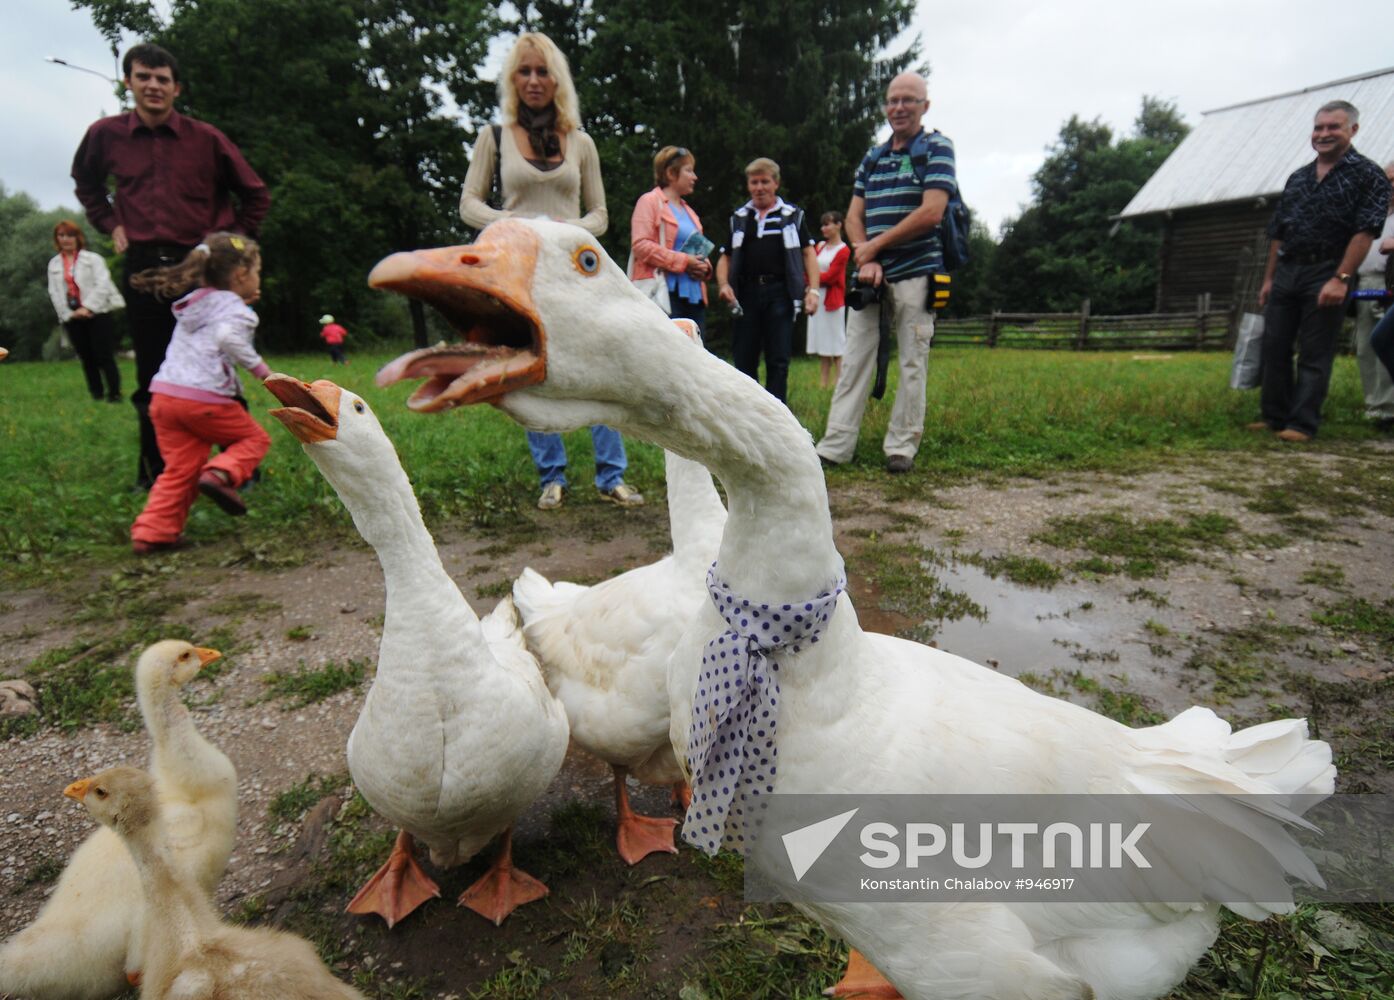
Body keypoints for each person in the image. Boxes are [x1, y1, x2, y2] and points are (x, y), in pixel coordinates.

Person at [72, 42, 269, 489]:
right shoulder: (105, 134)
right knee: (154, 371)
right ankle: (157, 472)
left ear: (176, 87)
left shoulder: (206, 138)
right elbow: (85, 182)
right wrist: (109, 222)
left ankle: (240, 467)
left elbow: (256, 195)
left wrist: (227, 248)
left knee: (220, 362)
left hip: (203, 269)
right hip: (145, 267)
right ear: (129, 82)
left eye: (162, 79)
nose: (153, 86)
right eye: (144, 77)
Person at [459, 32, 641, 512]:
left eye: (542, 71)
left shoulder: (581, 142)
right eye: (524, 71)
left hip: (575, 272)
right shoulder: (493, 138)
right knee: (529, 368)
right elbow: (469, 205)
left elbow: (600, 215)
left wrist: (567, 231)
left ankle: (612, 475)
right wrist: (519, 225)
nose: (534, 80)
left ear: (557, 77)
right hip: (520, 271)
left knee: (601, 367)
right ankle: (552, 477)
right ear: (512, 80)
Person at [815, 72, 956, 474]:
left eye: (909, 100)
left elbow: (932, 212)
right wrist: (868, 258)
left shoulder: (938, 148)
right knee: (855, 356)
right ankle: (836, 444)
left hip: (918, 271)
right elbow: (854, 215)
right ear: (886, 106)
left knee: (913, 361)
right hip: (871, 276)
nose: (899, 107)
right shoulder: (872, 157)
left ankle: (902, 446)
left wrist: (874, 247)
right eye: (893, 100)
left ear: (924, 106)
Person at [1251, 100, 1393, 443]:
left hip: (1328, 268)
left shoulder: (1368, 175)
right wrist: (1269, 278)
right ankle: (1274, 416)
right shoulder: (1298, 177)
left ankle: (1302, 423)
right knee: (1275, 346)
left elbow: (1366, 231)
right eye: (1319, 127)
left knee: (1315, 351)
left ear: (1352, 130)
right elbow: (1278, 231)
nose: (1324, 134)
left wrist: (1340, 278)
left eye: (1334, 127)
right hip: (1288, 268)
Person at [127, 233, 272, 555]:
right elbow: (227, 337)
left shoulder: (195, 303)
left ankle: (152, 534)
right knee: (255, 440)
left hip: (164, 399)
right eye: (258, 272)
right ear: (241, 275)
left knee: (180, 470)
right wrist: (265, 373)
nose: (258, 279)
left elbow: (215, 326)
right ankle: (220, 475)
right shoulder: (235, 310)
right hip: (204, 400)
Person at [715, 158, 820, 404]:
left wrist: (813, 290)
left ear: (776, 183)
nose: (759, 187)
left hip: (780, 293)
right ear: (748, 185)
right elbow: (725, 257)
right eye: (754, 182)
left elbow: (808, 253)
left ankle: (778, 416)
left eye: (765, 181)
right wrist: (723, 285)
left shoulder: (793, 215)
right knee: (744, 358)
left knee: (778, 359)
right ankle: (746, 412)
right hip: (746, 294)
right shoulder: (739, 217)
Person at [630, 146, 712, 335]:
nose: (695, 177)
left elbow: (700, 250)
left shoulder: (690, 212)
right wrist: (685, 261)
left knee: (697, 356)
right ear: (670, 173)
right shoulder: (649, 201)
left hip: (694, 297)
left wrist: (705, 267)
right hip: (664, 294)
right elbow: (640, 245)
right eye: (689, 170)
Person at [46, 220, 125, 402]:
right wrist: (69, 313)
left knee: (104, 355)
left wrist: (88, 307)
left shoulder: (93, 259)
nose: (66, 239)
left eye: (70, 235)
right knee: (86, 356)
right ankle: (96, 393)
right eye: (62, 235)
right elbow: (54, 292)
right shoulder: (54, 264)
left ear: (78, 237)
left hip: (98, 312)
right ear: (57, 239)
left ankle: (114, 394)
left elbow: (103, 284)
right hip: (72, 315)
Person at [1352, 159, 1394, 428]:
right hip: (1364, 281)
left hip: (1389, 282)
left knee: (1387, 342)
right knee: (1364, 345)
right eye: (1388, 178)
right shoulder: (1374, 212)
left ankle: (1388, 407)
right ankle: (1372, 404)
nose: (1391, 184)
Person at [807, 211, 850, 388]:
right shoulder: (819, 247)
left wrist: (814, 277)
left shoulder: (843, 250)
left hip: (832, 301)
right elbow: (808, 268)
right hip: (818, 298)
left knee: (836, 342)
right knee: (823, 343)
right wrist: (812, 280)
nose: (824, 228)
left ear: (839, 225)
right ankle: (823, 383)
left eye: (828, 224)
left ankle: (840, 381)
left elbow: (832, 276)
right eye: (823, 225)